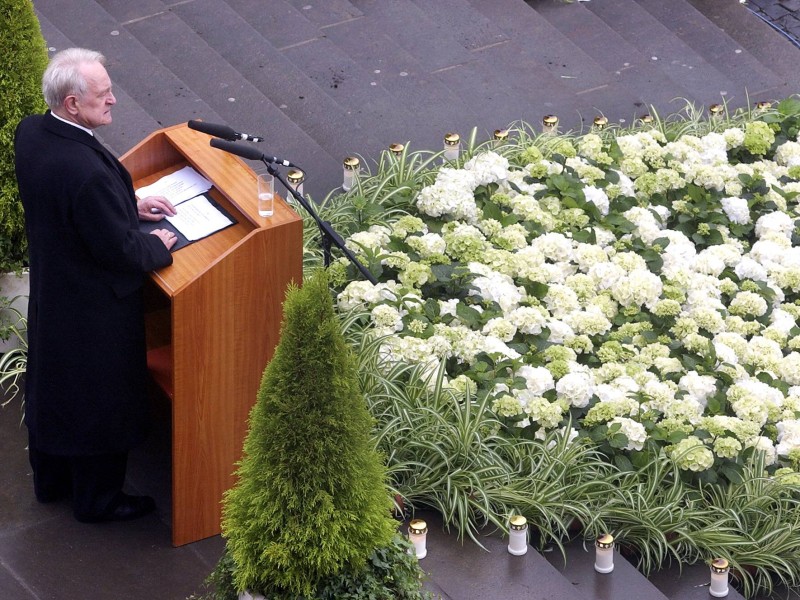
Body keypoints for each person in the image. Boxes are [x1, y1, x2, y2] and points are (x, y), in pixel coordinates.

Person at [14, 48, 178, 523]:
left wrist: (129, 204)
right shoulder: (84, 174)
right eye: (104, 95)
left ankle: (52, 482)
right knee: (99, 402)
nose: (113, 102)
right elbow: (122, 252)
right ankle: (99, 500)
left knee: (56, 391)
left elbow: (74, 208)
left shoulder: (33, 132)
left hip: (56, 291)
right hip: (94, 311)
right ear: (71, 104)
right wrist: (159, 244)